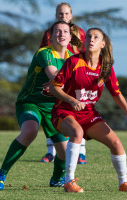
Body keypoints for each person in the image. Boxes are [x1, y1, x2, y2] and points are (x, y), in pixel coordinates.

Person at [0, 21, 83, 190]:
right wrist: (61, 84)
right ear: (51, 35)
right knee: (30, 131)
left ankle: (56, 179)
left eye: (65, 32)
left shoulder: (73, 59)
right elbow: (54, 74)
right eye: (57, 31)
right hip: (31, 102)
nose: (61, 34)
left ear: (70, 37)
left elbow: (78, 83)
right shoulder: (45, 53)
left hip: (54, 108)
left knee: (64, 151)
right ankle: (2, 173)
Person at [49, 27, 127, 193]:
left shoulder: (105, 67)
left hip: (88, 114)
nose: (91, 39)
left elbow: (116, 93)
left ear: (103, 44)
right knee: (76, 133)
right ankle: (69, 182)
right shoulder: (74, 61)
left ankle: (123, 183)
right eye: (89, 37)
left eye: (96, 37)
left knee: (116, 144)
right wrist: (71, 99)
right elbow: (54, 87)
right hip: (64, 111)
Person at [39, 2, 87, 164]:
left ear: (71, 16)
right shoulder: (49, 32)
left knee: (78, 111)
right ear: (56, 15)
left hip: (74, 76)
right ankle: (50, 151)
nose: (63, 16)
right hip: (56, 76)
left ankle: (81, 152)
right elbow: (44, 55)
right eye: (60, 14)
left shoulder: (80, 32)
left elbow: (86, 53)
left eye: (66, 14)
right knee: (53, 112)